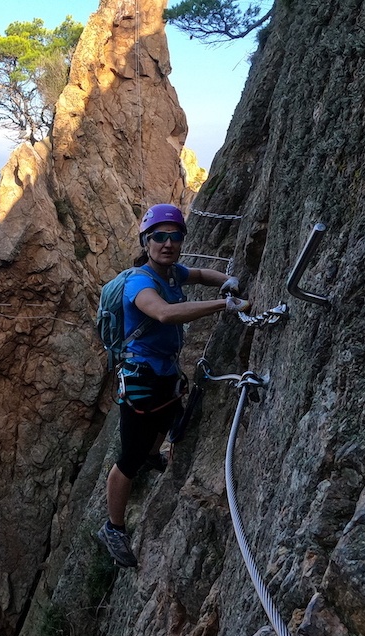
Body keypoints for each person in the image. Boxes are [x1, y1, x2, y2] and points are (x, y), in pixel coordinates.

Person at [97, 203, 250, 568]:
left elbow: (196, 273)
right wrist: (225, 304)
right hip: (140, 379)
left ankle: (153, 456)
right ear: (146, 241)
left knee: (169, 418)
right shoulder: (140, 281)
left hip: (162, 373)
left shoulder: (170, 274)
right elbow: (163, 313)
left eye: (175, 236)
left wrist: (224, 280)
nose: (168, 243)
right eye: (159, 237)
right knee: (128, 457)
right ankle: (113, 527)